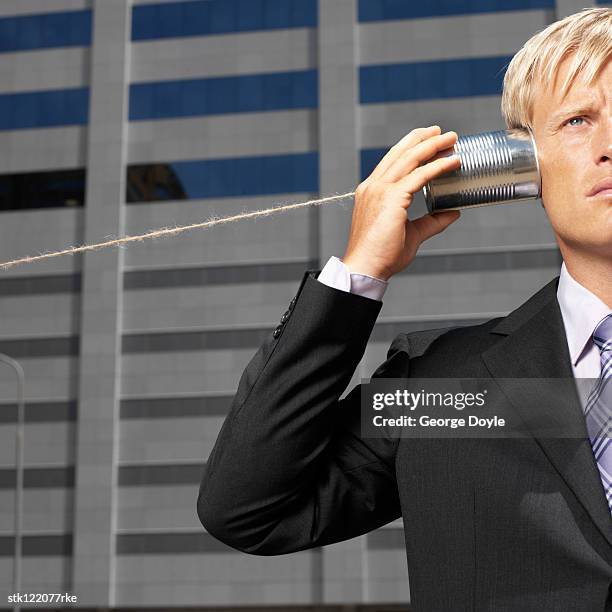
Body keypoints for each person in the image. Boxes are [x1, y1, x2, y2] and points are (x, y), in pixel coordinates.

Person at [197, 8, 612, 610]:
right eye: (577, 120)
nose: (609, 145)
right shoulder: (454, 389)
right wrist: (358, 273)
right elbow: (251, 508)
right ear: (522, 164)